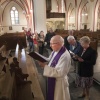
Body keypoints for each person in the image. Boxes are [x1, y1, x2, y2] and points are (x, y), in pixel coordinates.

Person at [38, 35, 71, 100]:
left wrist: (45, 66)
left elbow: (60, 73)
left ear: (58, 44)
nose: (50, 45)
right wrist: (39, 57)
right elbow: (49, 60)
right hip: (53, 79)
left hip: (59, 83)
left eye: (52, 44)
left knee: (58, 97)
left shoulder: (65, 56)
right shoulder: (55, 51)